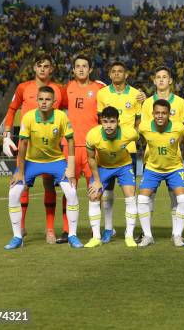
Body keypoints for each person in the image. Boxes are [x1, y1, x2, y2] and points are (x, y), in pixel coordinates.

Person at [4, 86, 82, 250]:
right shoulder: (28, 117)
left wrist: (71, 168)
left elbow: (70, 141)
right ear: (37, 100)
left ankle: (73, 235)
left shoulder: (61, 116)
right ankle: (17, 236)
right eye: (41, 99)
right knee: (13, 193)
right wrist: (20, 170)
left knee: (72, 192)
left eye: (47, 99)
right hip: (32, 162)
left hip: (56, 161)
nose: (44, 102)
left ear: (54, 102)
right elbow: (23, 144)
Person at [2, 56, 65, 243]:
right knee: (22, 185)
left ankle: (50, 229)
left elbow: (70, 111)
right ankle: (20, 227)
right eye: (40, 66)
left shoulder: (59, 89)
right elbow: (12, 109)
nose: (43, 69)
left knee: (48, 186)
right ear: (34, 68)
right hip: (27, 145)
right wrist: (7, 134)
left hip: (50, 146)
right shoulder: (23, 87)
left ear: (52, 69)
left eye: (47, 66)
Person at [58, 54, 105, 243]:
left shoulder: (99, 89)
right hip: (69, 147)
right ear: (73, 69)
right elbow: (53, 107)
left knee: (95, 188)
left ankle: (96, 231)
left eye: (84, 66)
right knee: (69, 190)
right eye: (77, 66)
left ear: (90, 69)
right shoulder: (66, 89)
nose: (81, 69)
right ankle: (67, 229)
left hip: (92, 147)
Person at [96, 61, 144, 243]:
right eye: (113, 71)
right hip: (107, 149)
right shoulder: (102, 94)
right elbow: (100, 119)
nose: (117, 74)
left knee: (129, 193)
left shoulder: (135, 95)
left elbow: (139, 120)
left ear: (126, 74)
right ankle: (109, 229)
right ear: (109, 74)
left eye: (120, 71)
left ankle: (129, 232)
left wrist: (135, 136)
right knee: (106, 192)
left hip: (128, 149)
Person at [140, 66, 184, 242]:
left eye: (164, 77)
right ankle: (147, 234)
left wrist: (171, 145)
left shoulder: (180, 103)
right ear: (154, 80)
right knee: (147, 197)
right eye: (157, 77)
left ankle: (177, 234)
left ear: (170, 80)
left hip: (174, 160)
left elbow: (182, 133)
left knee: (177, 197)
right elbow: (145, 130)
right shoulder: (146, 103)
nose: (161, 80)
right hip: (151, 160)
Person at [84, 106, 139, 248]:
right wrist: (96, 181)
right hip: (103, 167)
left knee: (131, 196)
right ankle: (96, 237)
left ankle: (129, 235)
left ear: (118, 122)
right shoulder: (92, 135)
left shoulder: (129, 133)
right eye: (105, 121)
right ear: (101, 121)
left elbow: (143, 138)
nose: (108, 125)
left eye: (112, 122)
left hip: (124, 166)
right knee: (93, 195)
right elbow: (90, 158)